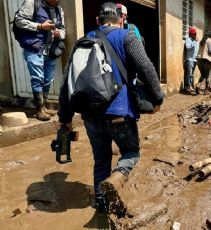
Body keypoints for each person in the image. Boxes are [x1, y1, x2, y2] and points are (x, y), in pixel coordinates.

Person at [58, 2, 164, 214]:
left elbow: (66, 83)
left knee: (101, 160)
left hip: (90, 115)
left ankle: (102, 205)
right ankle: (117, 177)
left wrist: (65, 118)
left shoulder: (82, 42)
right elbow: (147, 68)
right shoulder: (127, 37)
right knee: (131, 153)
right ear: (121, 20)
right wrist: (158, 98)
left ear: (97, 21)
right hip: (120, 113)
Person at [14, 0, 65, 121]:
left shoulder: (59, 9)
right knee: (37, 78)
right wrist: (40, 26)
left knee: (48, 79)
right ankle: (39, 109)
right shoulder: (32, 3)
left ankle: (45, 105)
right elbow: (19, 21)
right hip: (34, 48)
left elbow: (63, 28)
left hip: (51, 50)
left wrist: (60, 34)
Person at [183, 26, 199, 94]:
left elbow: (197, 49)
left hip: (194, 59)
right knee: (188, 74)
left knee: (191, 74)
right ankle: (187, 86)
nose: (195, 35)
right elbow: (188, 47)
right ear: (191, 34)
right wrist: (195, 42)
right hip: (189, 59)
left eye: (195, 33)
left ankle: (190, 86)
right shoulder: (188, 39)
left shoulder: (195, 40)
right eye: (194, 33)